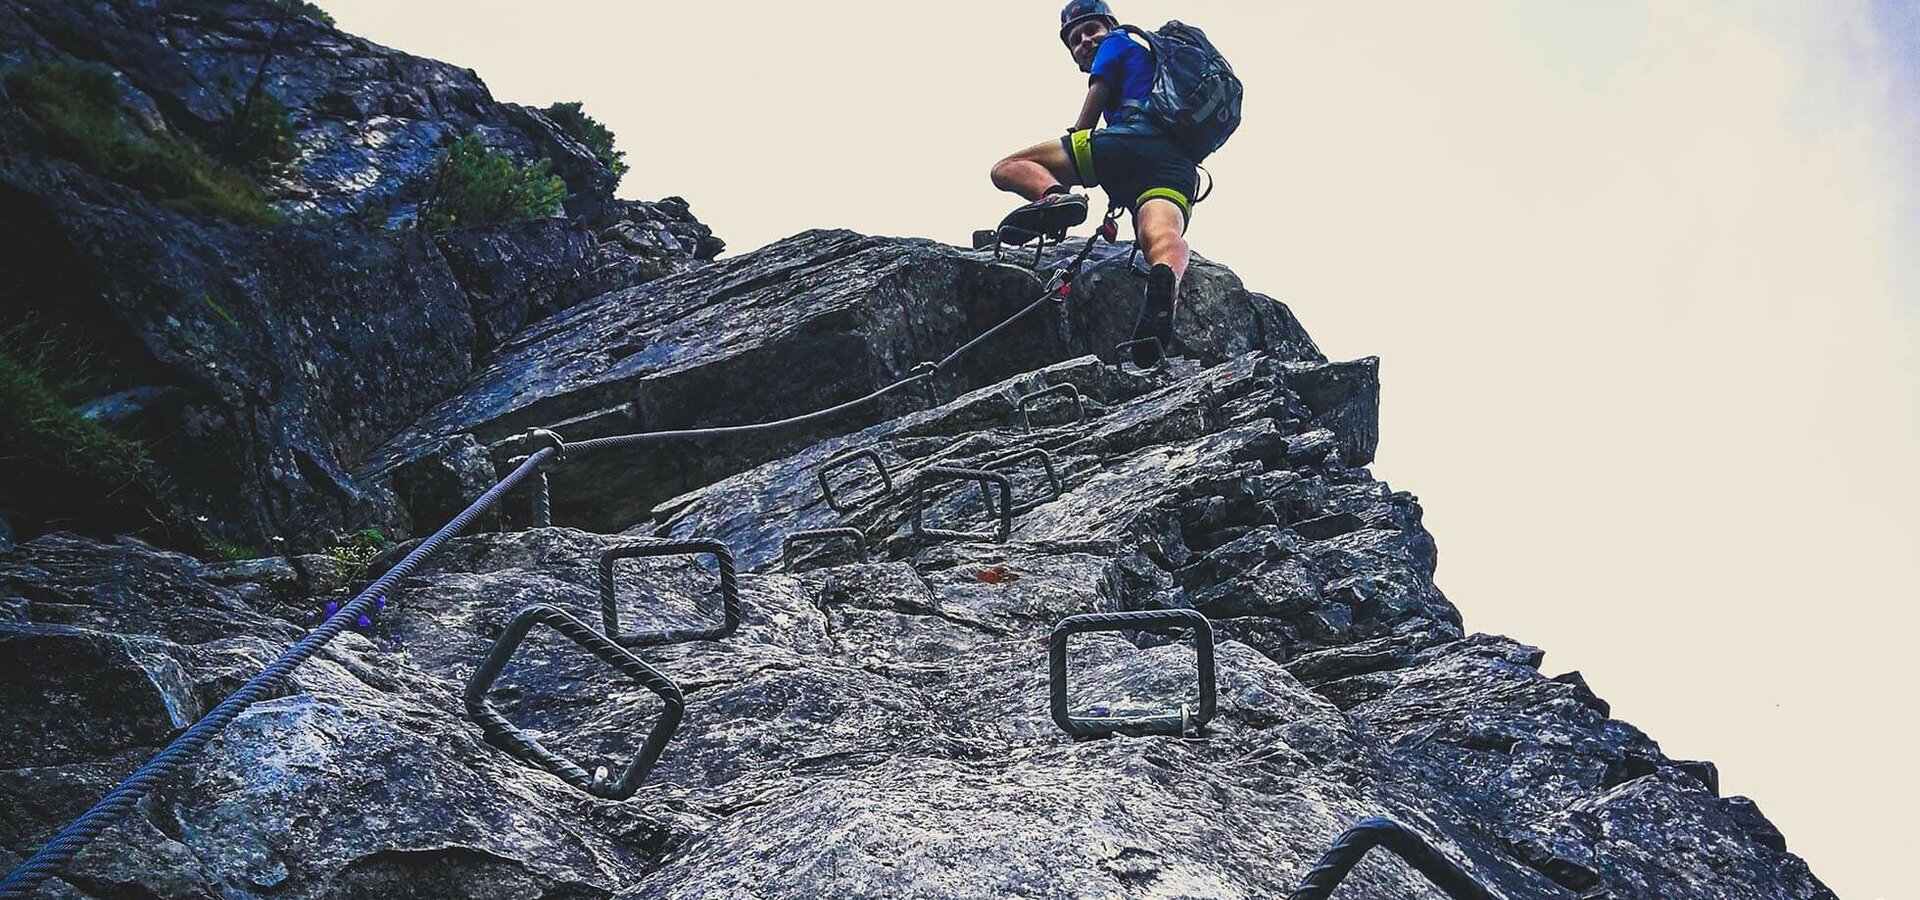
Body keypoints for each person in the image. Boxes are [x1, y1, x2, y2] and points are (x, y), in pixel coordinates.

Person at [989, 0, 1199, 367]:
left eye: (1091, 31)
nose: (1085, 41)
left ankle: (1053, 199)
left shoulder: (1119, 41)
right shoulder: (1152, 65)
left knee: (1007, 167)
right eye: (1076, 39)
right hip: (1178, 166)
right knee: (1160, 235)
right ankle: (1166, 281)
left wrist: (1079, 137)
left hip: (1126, 142)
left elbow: (1098, 93)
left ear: (1109, 26)